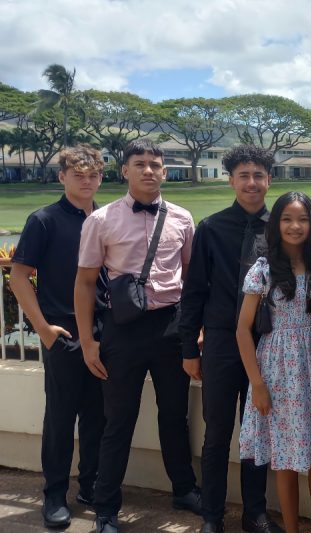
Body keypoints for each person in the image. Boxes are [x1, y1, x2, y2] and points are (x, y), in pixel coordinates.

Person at [74, 139, 201, 533]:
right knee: (119, 420)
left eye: (156, 165)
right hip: (122, 329)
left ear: (165, 172)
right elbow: (84, 282)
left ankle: (183, 488)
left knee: (174, 415)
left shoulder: (182, 218)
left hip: (171, 326)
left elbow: (192, 279)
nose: (149, 171)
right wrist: (88, 340)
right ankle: (106, 507)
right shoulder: (101, 220)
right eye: (140, 164)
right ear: (124, 171)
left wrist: (193, 331)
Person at [179, 145, 281, 533]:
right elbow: (193, 292)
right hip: (222, 342)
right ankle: (212, 516)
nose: (252, 182)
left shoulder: (283, 228)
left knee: (257, 434)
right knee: (217, 433)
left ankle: (255, 514)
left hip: (267, 343)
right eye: (244, 175)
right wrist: (190, 347)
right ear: (231, 180)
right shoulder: (211, 228)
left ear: (269, 180)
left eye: (258, 175)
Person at [9, 145, 107, 529]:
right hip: (63, 331)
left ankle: (91, 485)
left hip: (103, 331)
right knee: (61, 417)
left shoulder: (107, 217)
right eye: (78, 174)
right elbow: (19, 277)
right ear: (62, 176)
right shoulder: (44, 220)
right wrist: (44, 329)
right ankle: (53, 493)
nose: (86, 181)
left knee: (99, 415)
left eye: (93, 175)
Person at [237, 191, 311, 533]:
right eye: (287, 219)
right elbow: (242, 331)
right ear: (275, 224)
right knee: (284, 458)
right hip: (276, 370)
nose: (295, 226)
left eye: (303, 219)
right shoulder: (263, 269)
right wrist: (258, 385)